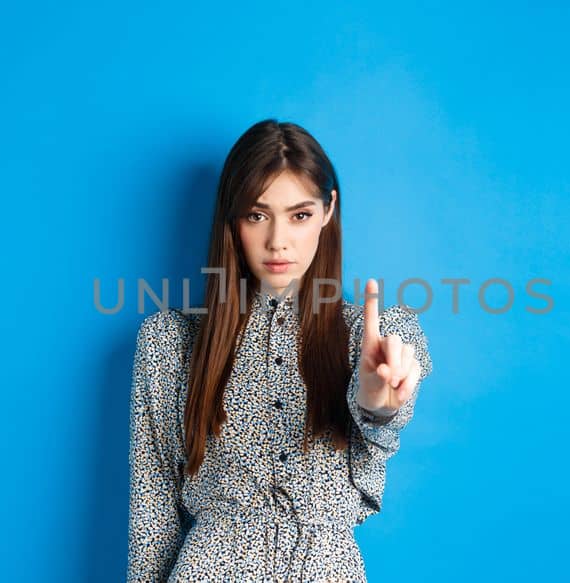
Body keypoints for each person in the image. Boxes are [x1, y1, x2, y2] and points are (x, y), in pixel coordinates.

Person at [127, 119, 433, 582]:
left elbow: (381, 414)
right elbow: (152, 522)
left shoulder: (371, 338)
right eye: (256, 215)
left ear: (328, 211)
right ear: (232, 218)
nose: (277, 241)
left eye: (299, 214)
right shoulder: (169, 343)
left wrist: (376, 406)